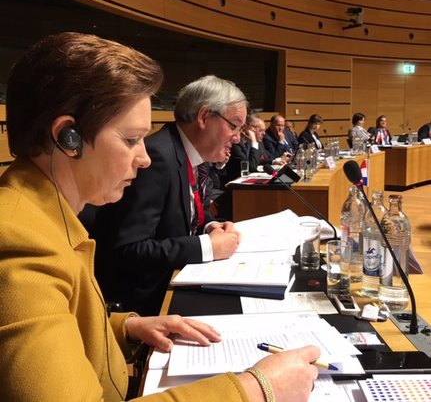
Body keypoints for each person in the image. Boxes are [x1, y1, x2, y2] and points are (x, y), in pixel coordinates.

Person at [0, 32, 320, 402]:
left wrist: (125, 327)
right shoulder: (21, 247)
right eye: (130, 140)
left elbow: (66, 321)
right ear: (67, 137)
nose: (145, 157)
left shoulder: (42, 216)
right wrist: (255, 390)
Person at [93, 75, 244, 317]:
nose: (238, 138)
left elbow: (194, 211)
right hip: (146, 304)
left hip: (177, 280)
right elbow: (128, 249)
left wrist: (212, 227)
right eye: (234, 126)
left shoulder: (196, 156)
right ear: (204, 116)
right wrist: (206, 246)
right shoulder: (157, 157)